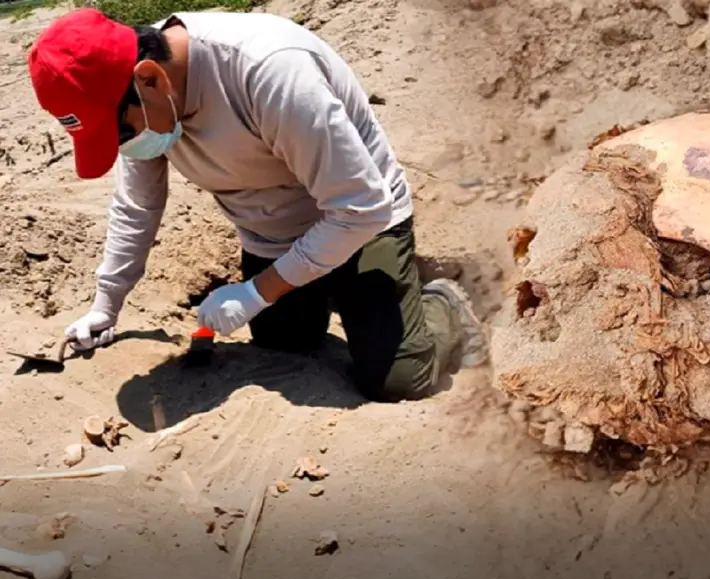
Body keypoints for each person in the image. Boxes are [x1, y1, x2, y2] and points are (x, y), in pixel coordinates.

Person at [26, 8, 488, 402]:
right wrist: (105, 305)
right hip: (272, 230)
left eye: (123, 133)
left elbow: (360, 208)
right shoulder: (137, 94)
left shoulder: (269, 70)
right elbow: (137, 208)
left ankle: (442, 304)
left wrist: (257, 293)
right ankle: (335, 293)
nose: (127, 146)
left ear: (150, 78)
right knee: (283, 342)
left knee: (398, 380)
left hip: (361, 219)